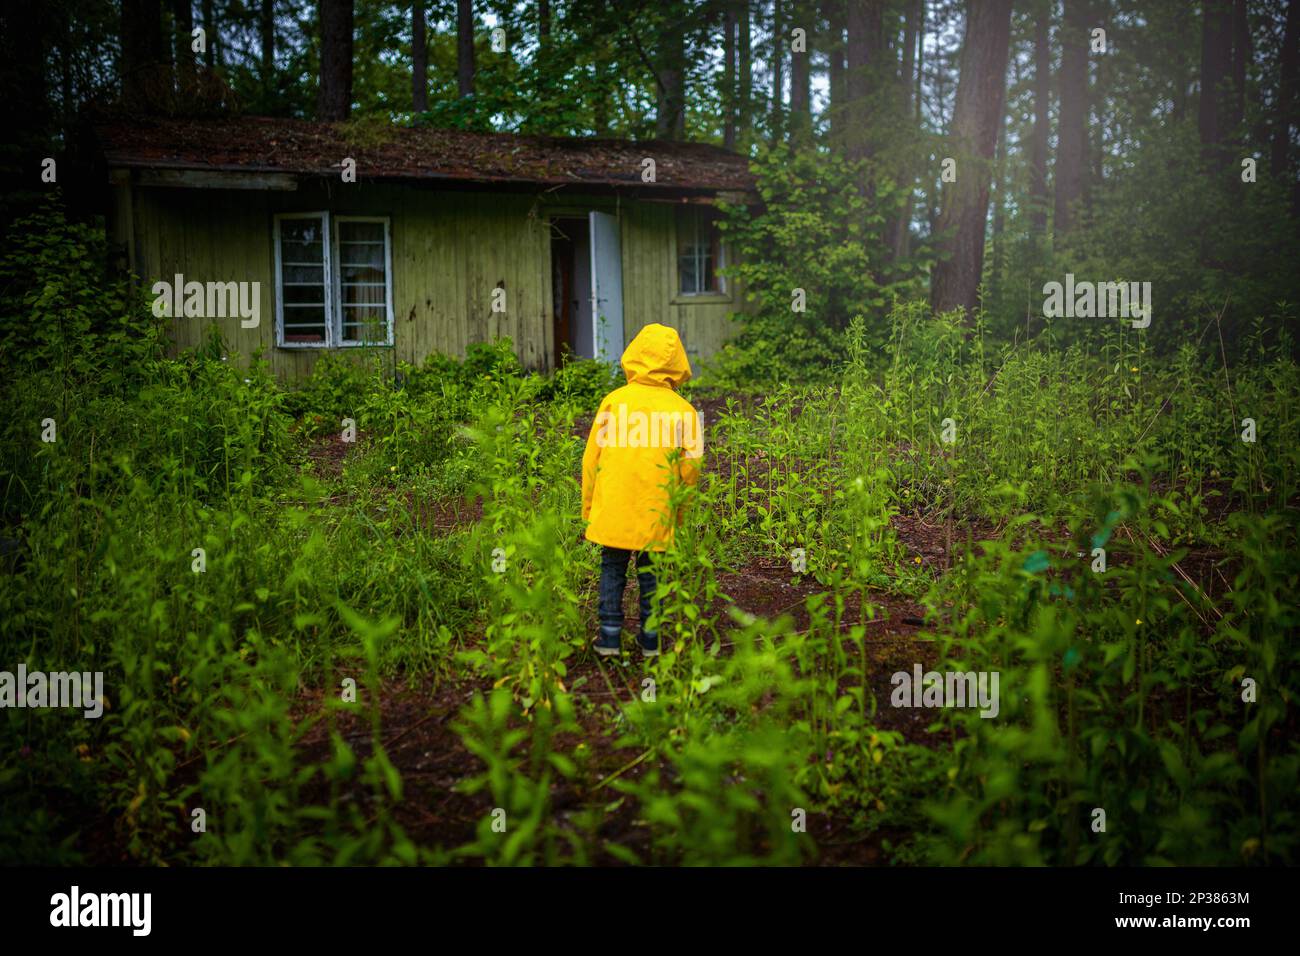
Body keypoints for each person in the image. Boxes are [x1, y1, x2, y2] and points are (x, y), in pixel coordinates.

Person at [581, 324, 702, 658]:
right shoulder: (686, 412)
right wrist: (679, 513)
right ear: (678, 362)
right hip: (657, 510)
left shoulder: (612, 402)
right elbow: (691, 470)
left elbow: (591, 459)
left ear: (633, 354)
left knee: (611, 568)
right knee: (651, 574)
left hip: (614, 510)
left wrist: (589, 507)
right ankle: (651, 641)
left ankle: (608, 638)